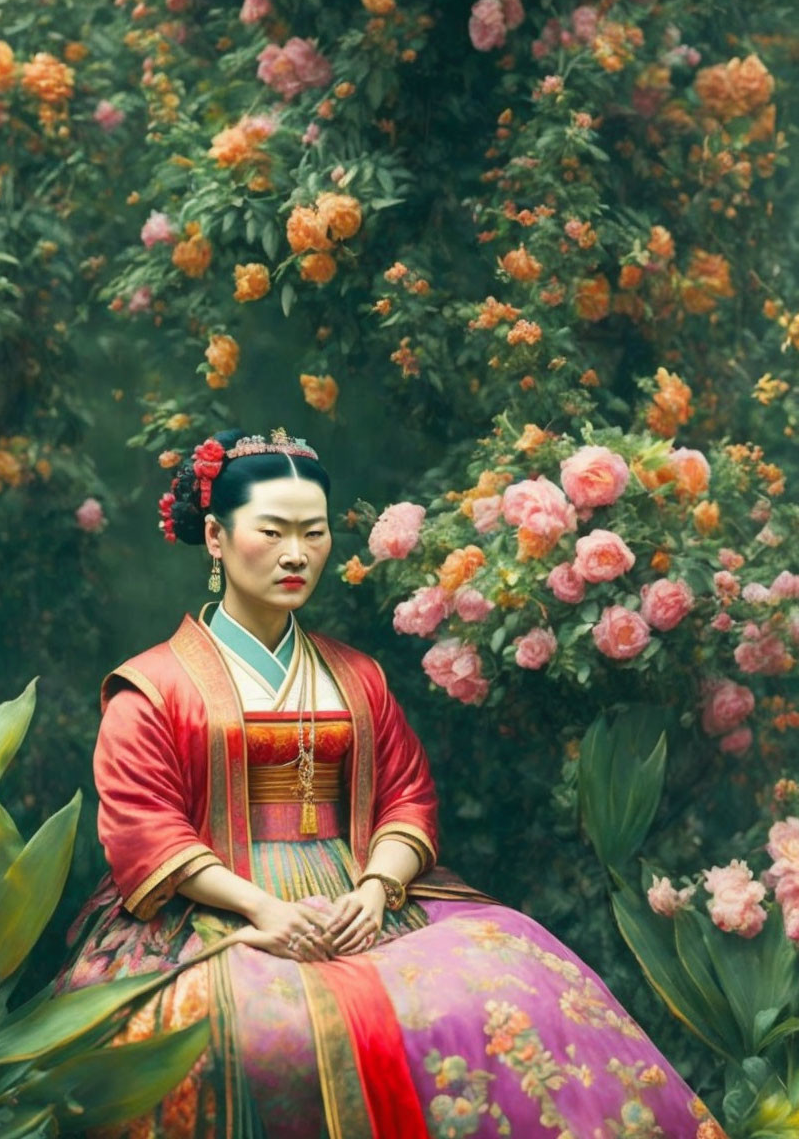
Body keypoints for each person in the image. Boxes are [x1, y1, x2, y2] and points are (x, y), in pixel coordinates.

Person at [57, 427, 727, 1139]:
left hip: (362, 897)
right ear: (217, 538)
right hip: (211, 908)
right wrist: (265, 911)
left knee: (508, 991)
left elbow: (407, 797)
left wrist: (377, 888)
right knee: (248, 1032)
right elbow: (143, 830)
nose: (295, 554)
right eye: (272, 531)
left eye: (312, 533)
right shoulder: (152, 686)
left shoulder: (357, 676)